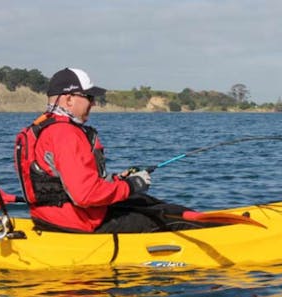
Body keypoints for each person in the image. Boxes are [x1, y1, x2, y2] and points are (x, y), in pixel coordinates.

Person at [15, 67, 218, 233]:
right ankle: (214, 232)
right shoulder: (66, 134)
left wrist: (117, 180)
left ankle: (208, 222)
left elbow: (68, 182)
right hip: (79, 224)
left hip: (51, 218)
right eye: (89, 97)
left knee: (144, 201)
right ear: (69, 99)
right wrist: (130, 185)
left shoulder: (41, 129)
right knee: (166, 217)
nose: (93, 103)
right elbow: (84, 195)